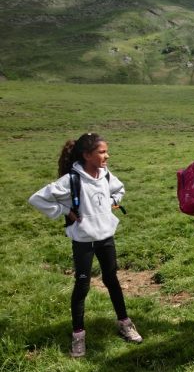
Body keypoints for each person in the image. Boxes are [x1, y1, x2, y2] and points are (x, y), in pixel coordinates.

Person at [28, 133, 142, 357]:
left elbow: (120, 189)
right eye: (101, 152)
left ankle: (124, 323)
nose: (107, 156)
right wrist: (65, 211)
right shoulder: (72, 180)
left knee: (112, 280)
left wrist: (111, 202)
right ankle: (78, 335)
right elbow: (37, 199)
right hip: (83, 241)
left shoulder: (105, 174)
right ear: (86, 155)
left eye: (106, 151)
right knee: (82, 286)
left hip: (106, 238)